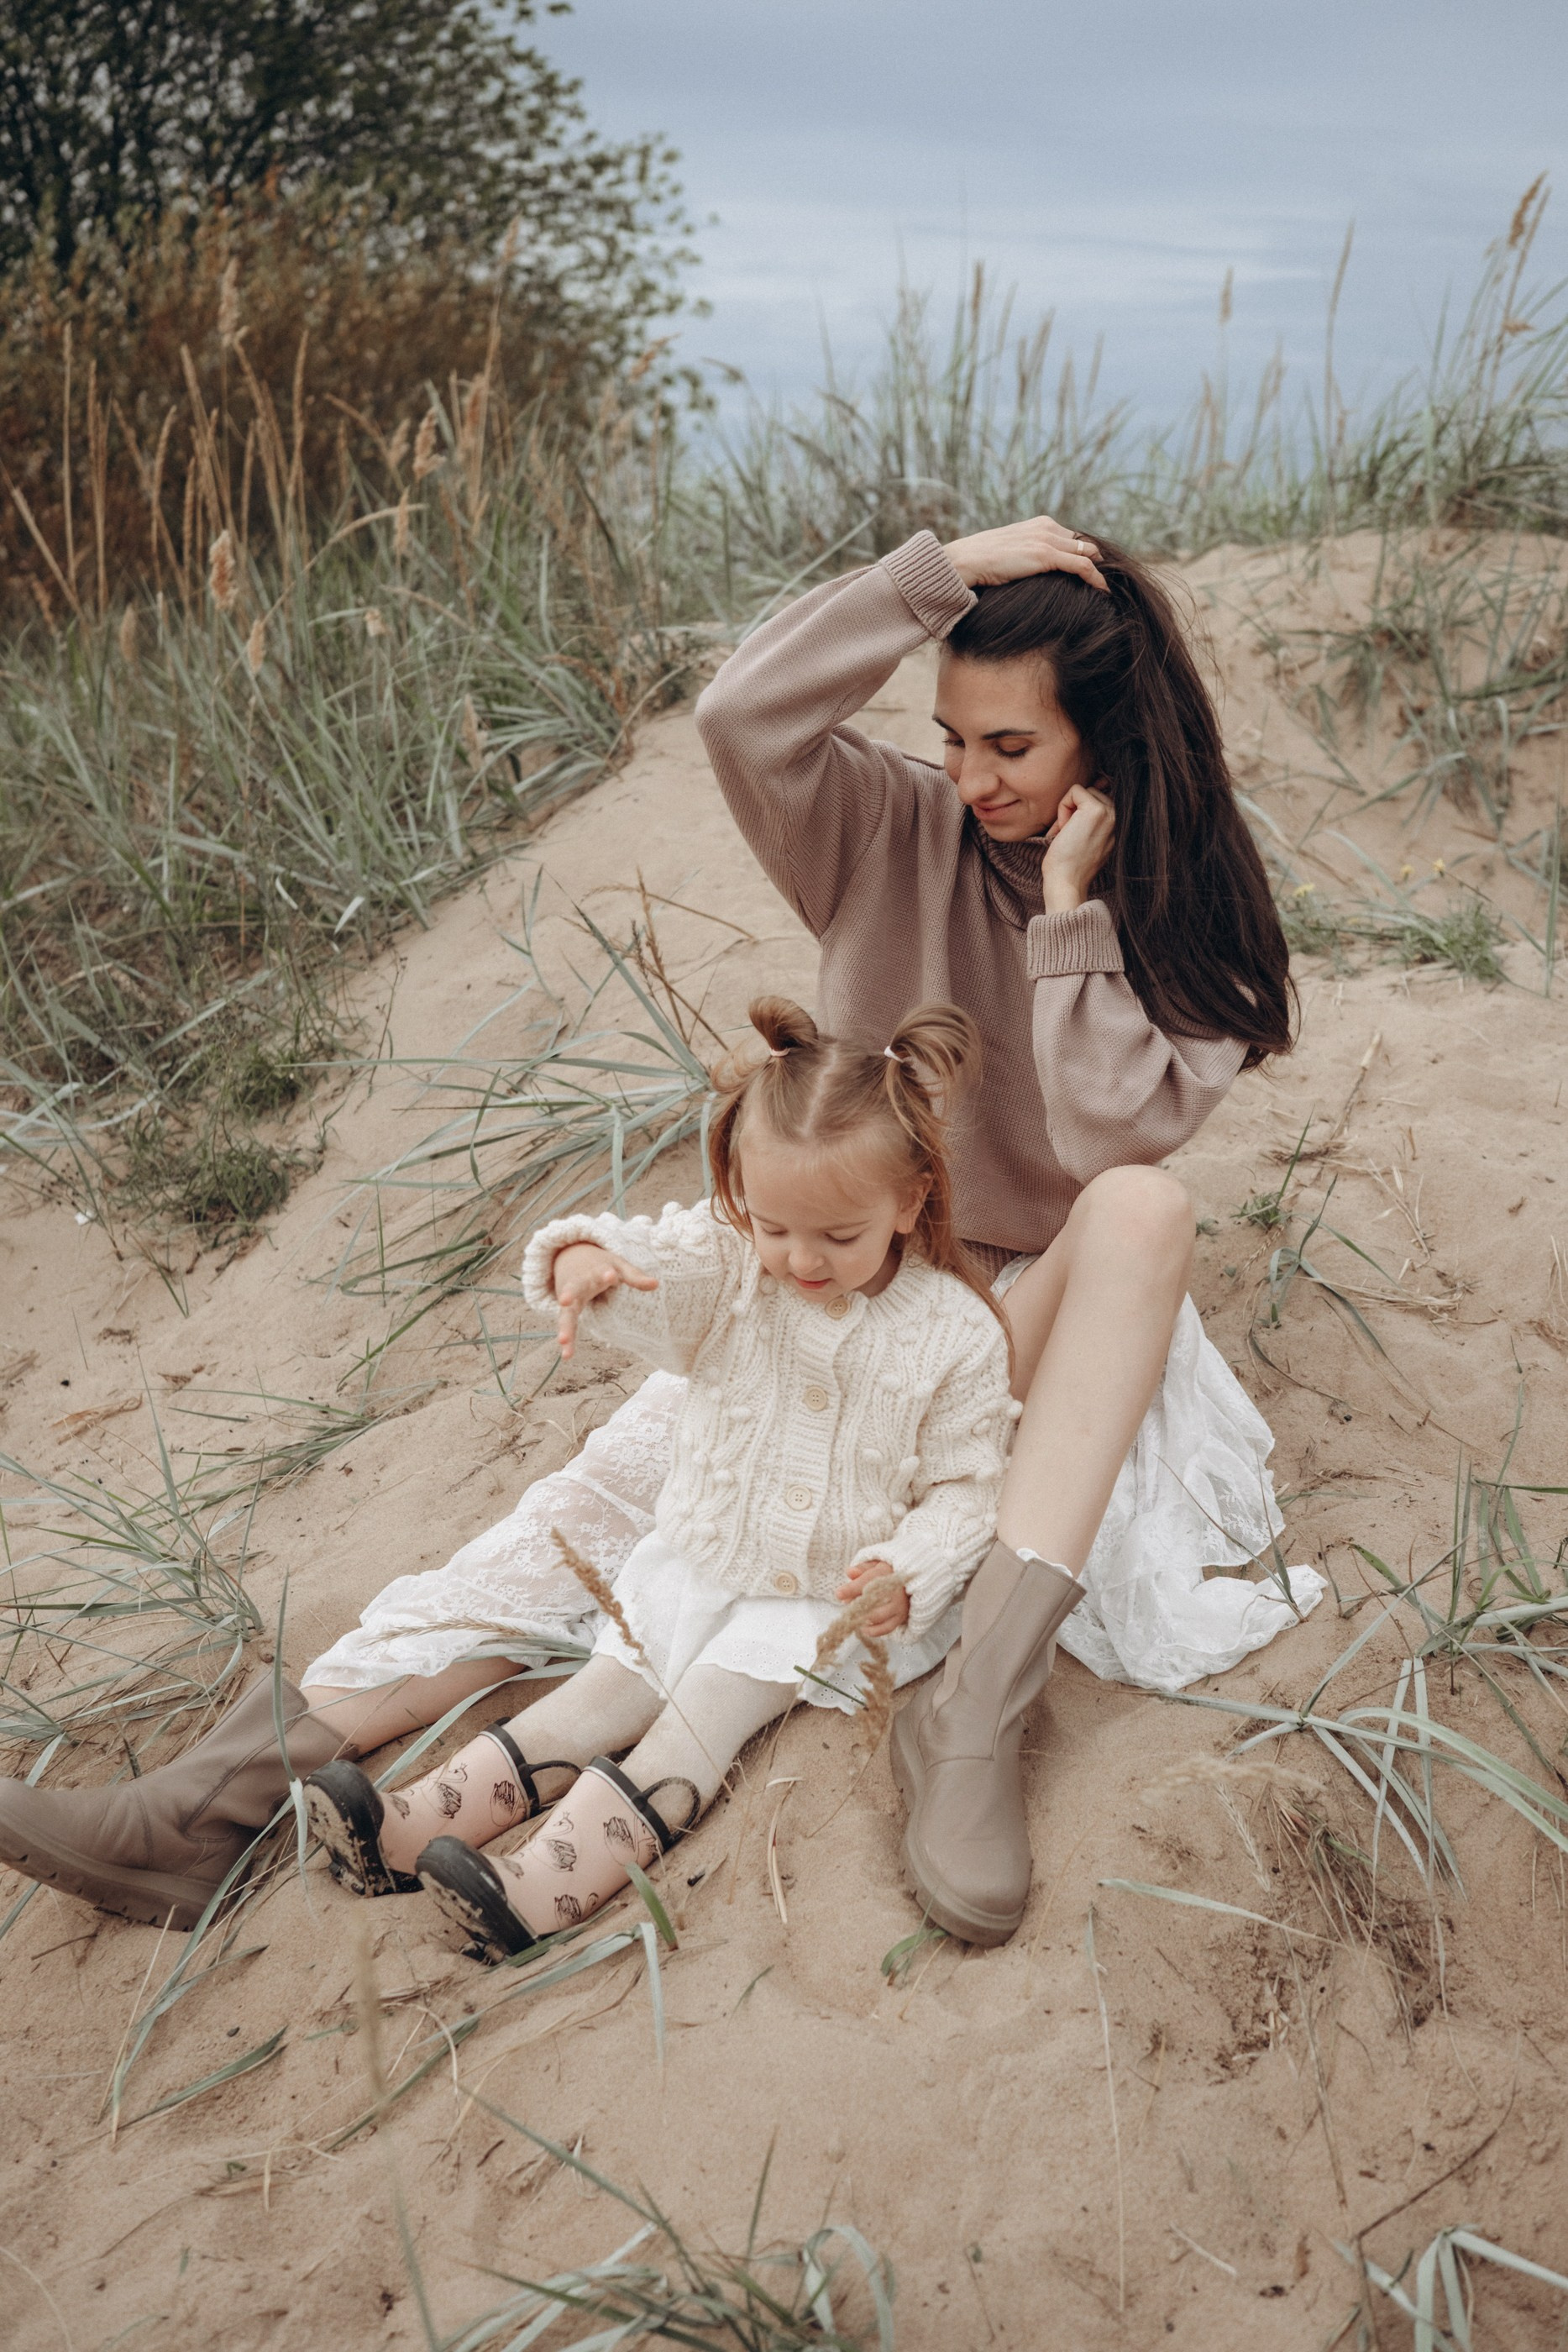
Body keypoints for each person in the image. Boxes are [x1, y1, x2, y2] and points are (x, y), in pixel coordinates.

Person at [0, 516, 1324, 1947]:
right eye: (949, 736)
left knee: (1143, 1204)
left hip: (1028, 1323)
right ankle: (210, 1808)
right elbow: (741, 712)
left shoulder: (1170, 906)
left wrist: (1066, 921)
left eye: (1010, 749)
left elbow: (1104, 1141)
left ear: (1107, 750)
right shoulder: (884, 828)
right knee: (585, 1506)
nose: (969, 779)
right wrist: (934, 570)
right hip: (831, 1283)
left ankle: (971, 1722)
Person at [304, 996, 1017, 1960]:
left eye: (837, 1237)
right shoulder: (733, 1267)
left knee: (700, 1717)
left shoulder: (955, 1332)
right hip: (701, 1553)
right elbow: (663, 1271)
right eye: (774, 1227)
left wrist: (906, 1569)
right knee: (602, 1690)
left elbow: (969, 1489)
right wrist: (591, 1260)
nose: (800, 1259)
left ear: (912, 1198)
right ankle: (409, 1827)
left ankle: (543, 1883)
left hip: (819, 1597)